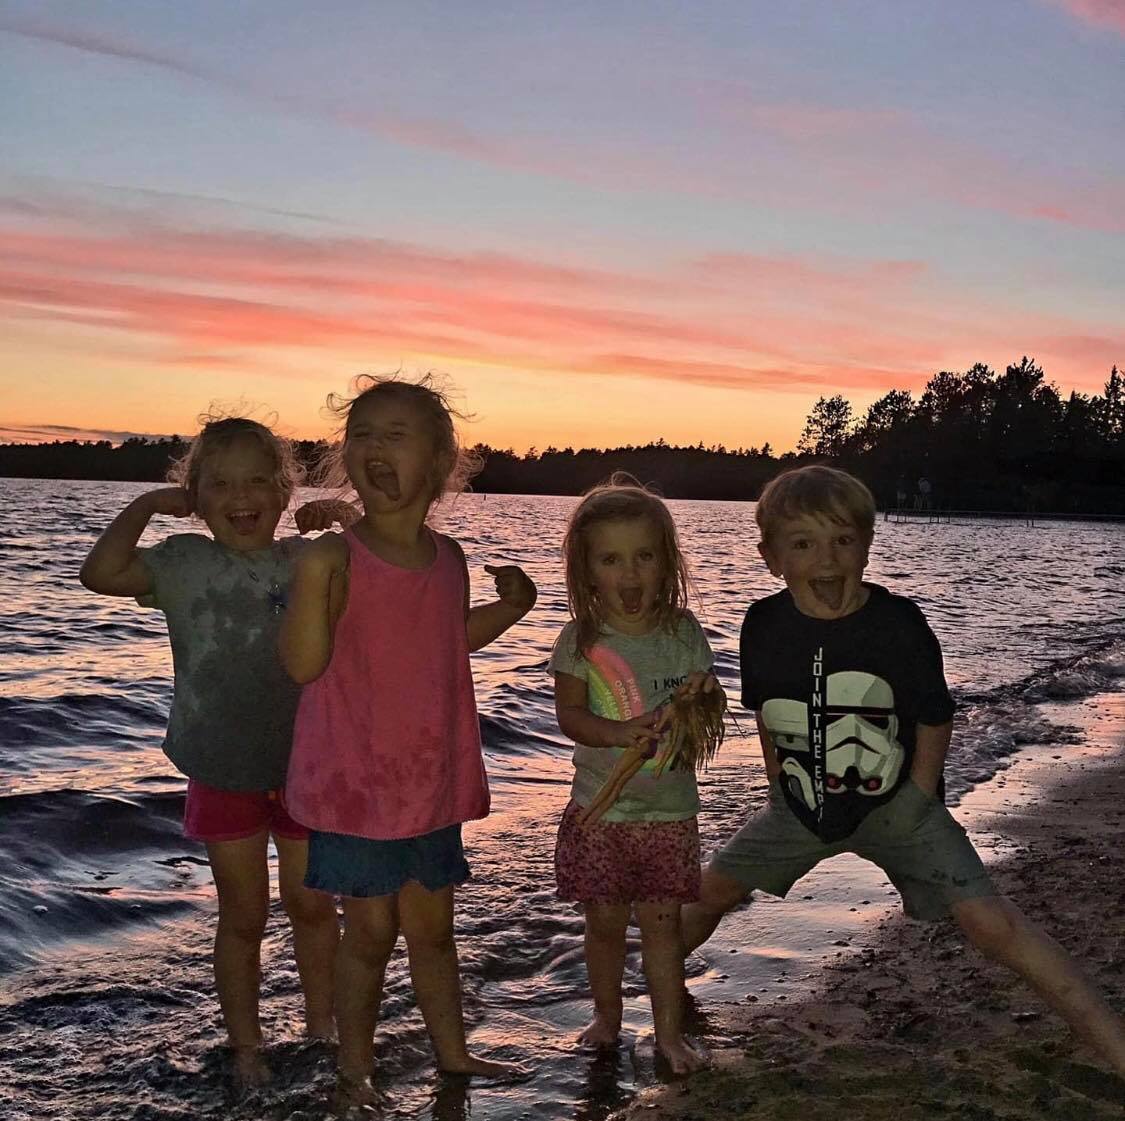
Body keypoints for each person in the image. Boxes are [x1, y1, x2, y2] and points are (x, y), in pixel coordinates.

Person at [681, 465, 1125, 1076]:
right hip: (801, 809)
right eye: (803, 543)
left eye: (843, 540)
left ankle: (1113, 1047)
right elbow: (769, 715)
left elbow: (934, 716)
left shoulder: (897, 624)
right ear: (772, 558)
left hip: (900, 807)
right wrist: (778, 790)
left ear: (866, 546)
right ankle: (654, 1005)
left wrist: (916, 799)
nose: (826, 559)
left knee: (990, 923)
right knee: (707, 893)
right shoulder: (762, 625)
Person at [280, 374, 537, 1103]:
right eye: (361, 434)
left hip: (427, 784)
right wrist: (312, 579)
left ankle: (453, 1055)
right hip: (356, 789)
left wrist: (511, 610)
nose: (374, 448)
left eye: (395, 435)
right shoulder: (336, 557)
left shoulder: (449, 558)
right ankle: (353, 1071)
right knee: (368, 936)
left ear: (440, 460)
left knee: (433, 932)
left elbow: (444, 641)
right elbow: (301, 665)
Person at [78, 415, 349, 1091]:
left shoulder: (308, 560)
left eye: (258, 480)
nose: (241, 496)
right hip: (221, 768)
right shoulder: (181, 562)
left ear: (285, 490)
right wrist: (146, 505)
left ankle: (324, 1028)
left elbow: (382, 580)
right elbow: (99, 573)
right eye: (220, 484)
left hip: (306, 768)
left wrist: (346, 520)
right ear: (194, 496)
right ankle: (247, 1048)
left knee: (313, 907)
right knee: (243, 916)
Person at [550, 475, 721, 1075]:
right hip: (600, 811)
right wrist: (619, 732)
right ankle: (607, 1018)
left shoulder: (684, 633)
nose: (630, 574)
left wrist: (703, 698)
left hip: (670, 813)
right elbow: (570, 716)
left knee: (662, 929)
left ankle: (669, 1035)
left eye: (644, 557)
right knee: (602, 925)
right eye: (611, 560)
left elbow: (708, 709)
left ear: (666, 562)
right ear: (587, 570)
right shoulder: (580, 640)